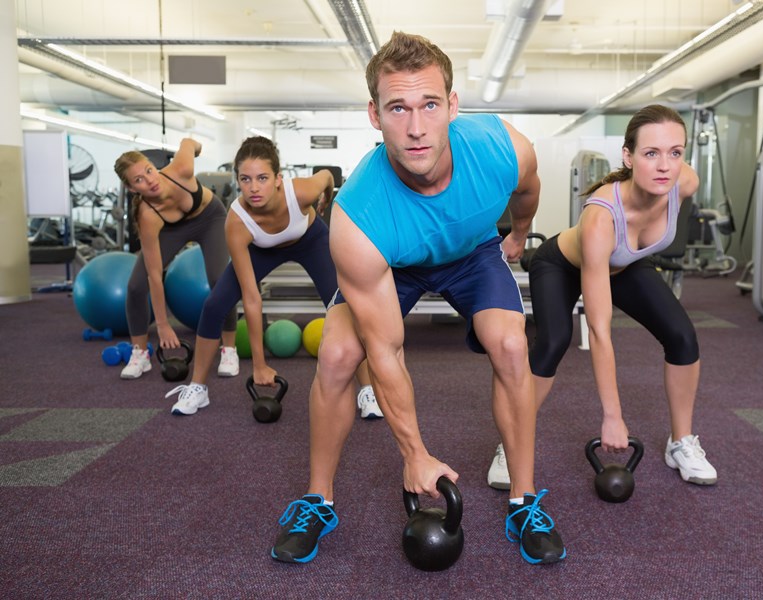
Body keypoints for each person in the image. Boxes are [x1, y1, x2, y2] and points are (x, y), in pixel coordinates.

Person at [269, 31, 565, 567]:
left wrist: (519, 233)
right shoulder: (357, 216)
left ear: (452, 105)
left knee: (510, 345)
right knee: (337, 354)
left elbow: (528, 191)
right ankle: (317, 499)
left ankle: (524, 501)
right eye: (398, 108)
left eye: (429, 104)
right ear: (374, 114)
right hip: (392, 262)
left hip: (473, 253)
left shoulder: (503, 149)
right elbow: (386, 351)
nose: (416, 127)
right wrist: (415, 454)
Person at [486, 104, 717, 491]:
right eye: (651, 153)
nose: (665, 166)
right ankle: (511, 442)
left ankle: (681, 442)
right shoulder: (601, 217)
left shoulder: (684, 183)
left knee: (682, 336)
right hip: (561, 264)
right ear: (628, 156)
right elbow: (598, 330)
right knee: (554, 342)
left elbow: (671, 180)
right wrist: (612, 416)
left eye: (675, 152)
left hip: (623, 265)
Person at [162, 136, 381, 417]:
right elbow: (252, 298)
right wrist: (259, 364)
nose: (253, 188)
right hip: (262, 249)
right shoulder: (237, 222)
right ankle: (197, 387)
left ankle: (367, 390)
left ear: (278, 179)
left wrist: (326, 196)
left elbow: (327, 176)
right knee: (214, 305)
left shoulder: (301, 192)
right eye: (245, 179)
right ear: (238, 180)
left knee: (341, 305)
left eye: (262, 178)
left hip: (309, 240)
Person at [113, 139, 238, 381]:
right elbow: (155, 275)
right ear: (131, 188)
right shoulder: (148, 215)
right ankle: (139, 353)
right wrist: (162, 324)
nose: (150, 180)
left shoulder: (182, 169)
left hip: (209, 219)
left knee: (219, 279)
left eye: (149, 170)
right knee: (136, 286)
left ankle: (229, 349)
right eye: (139, 179)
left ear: (154, 167)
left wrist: (196, 150)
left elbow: (189, 142)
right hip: (171, 229)